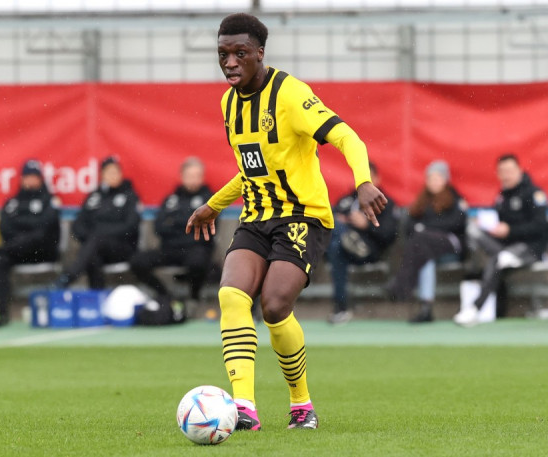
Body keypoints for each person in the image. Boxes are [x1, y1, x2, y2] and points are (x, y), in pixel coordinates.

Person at [186, 13, 387, 431]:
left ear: (260, 53)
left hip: (302, 217)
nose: (230, 63)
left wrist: (363, 182)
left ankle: (301, 404)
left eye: (240, 53)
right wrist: (213, 205)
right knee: (231, 295)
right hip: (256, 217)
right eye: (223, 54)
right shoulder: (228, 104)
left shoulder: (291, 95)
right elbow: (253, 169)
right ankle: (243, 407)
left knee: (275, 306)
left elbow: (347, 136)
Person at [454, 153, 548, 327]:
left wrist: (510, 230)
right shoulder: (502, 196)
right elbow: (498, 223)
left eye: (509, 170)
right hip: (505, 247)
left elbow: (541, 226)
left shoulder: (534, 193)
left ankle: (475, 308)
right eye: (502, 171)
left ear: (519, 170)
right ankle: (473, 270)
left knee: (498, 259)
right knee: (472, 231)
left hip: (530, 248)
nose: (506, 175)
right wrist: (487, 225)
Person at [0, 159, 60, 324]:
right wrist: (29, 225)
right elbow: (5, 227)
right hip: (17, 251)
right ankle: (2, 311)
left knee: (31, 239)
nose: (30, 180)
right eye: (27, 176)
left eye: (34, 176)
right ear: (21, 179)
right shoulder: (12, 202)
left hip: (43, 251)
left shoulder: (50, 201)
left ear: (40, 179)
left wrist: (21, 224)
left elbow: (44, 229)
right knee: (0, 260)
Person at [386, 160, 467, 323]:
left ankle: (401, 284)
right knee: (425, 254)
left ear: (445, 180)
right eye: (431, 178)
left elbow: (456, 223)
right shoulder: (422, 201)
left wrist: (426, 228)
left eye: (438, 178)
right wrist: (424, 229)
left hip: (450, 245)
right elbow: (409, 224)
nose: (434, 182)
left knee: (421, 239)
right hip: (427, 247)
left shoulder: (454, 199)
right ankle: (426, 308)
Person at [130, 157, 214, 304]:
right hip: (170, 249)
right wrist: (187, 223)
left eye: (197, 176)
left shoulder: (210, 199)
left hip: (196, 247)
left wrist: (174, 223)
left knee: (198, 262)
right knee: (138, 261)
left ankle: (194, 297)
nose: (193, 180)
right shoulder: (171, 199)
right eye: (190, 176)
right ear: (182, 176)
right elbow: (159, 227)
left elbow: (205, 229)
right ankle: (165, 295)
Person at [326, 162, 397, 324]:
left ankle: (340, 307)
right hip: (345, 250)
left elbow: (388, 235)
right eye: (361, 178)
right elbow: (332, 216)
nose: (364, 182)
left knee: (336, 238)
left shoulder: (385, 203)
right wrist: (342, 221)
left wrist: (367, 225)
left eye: (368, 178)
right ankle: (341, 307)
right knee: (336, 244)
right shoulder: (347, 200)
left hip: (370, 251)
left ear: (377, 179)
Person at [55, 156, 141, 290]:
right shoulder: (94, 196)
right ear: (102, 175)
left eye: (115, 172)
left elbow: (131, 226)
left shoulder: (130, 196)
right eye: (109, 172)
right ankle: (97, 296)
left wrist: (102, 233)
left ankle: (68, 276)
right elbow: (78, 224)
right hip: (96, 247)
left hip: (122, 247)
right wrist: (91, 236)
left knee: (95, 243)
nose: (112, 176)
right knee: (93, 254)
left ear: (121, 174)